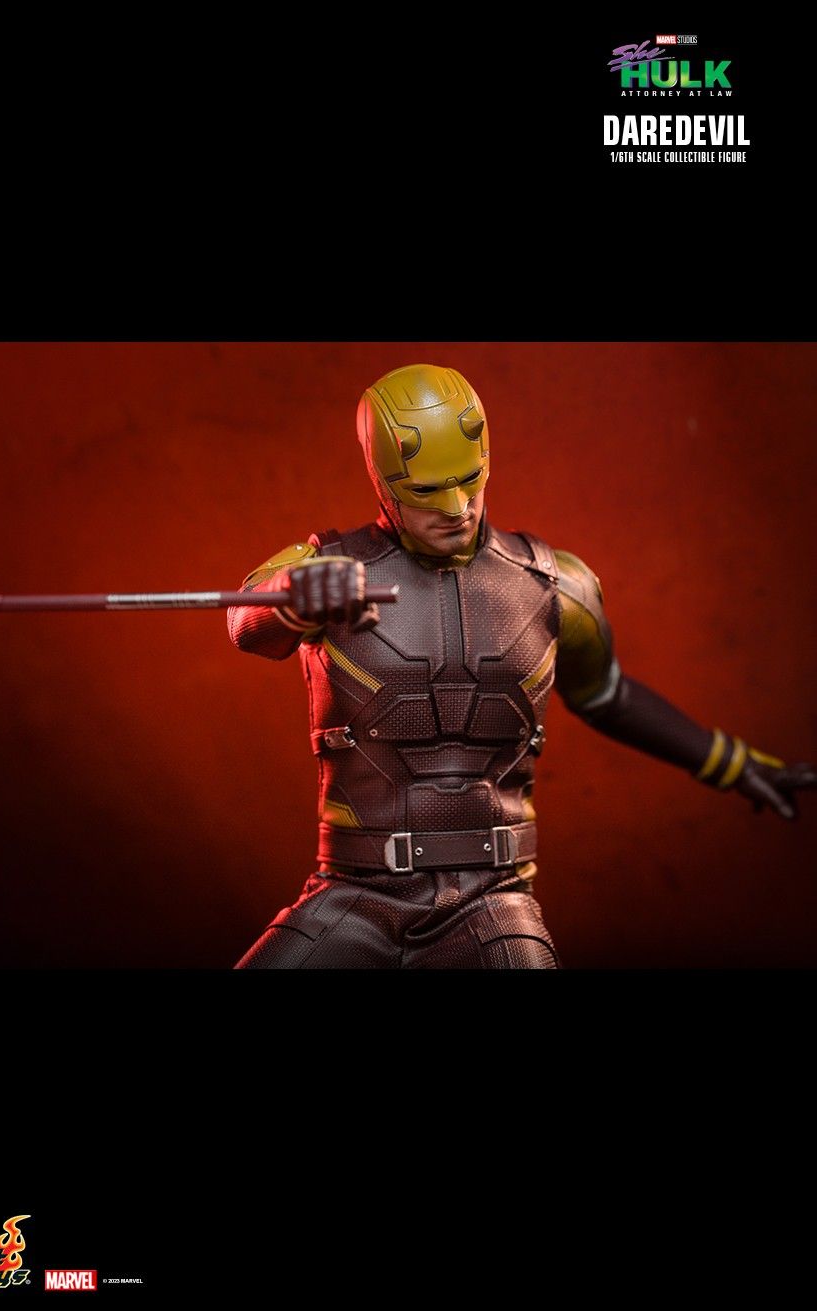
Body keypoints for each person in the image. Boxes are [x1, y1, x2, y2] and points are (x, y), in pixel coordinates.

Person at [227, 363, 815, 969]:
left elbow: (608, 696)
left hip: (492, 903)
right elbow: (246, 624)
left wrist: (731, 764)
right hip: (354, 897)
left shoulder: (554, 587)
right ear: (382, 479)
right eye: (426, 491)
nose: (457, 508)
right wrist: (295, 599)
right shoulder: (326, 571)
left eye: (470, 480)